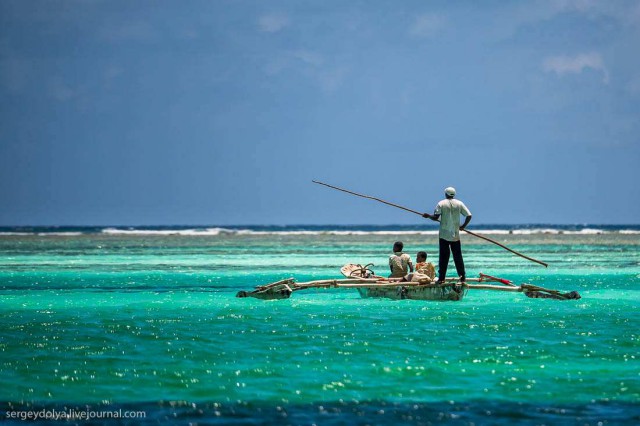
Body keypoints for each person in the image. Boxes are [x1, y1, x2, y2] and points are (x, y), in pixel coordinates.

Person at [422, 187, 472, 283]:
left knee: (444, 258)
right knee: (458, 257)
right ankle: (462, 278)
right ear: (454, 194)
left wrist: (428, 216)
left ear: (445, 194)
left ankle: (441, 279)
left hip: (444, 235)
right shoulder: (459, 203)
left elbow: (435, 217)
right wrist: (463, 226)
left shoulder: (441, 203)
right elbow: (469, 215)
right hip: (455, 236)